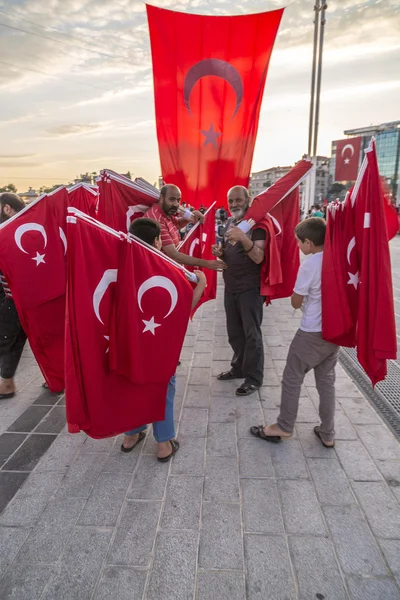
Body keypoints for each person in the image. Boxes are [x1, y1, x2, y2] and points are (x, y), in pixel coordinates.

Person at [121, 217, 207, 461]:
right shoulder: (168, 269)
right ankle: (163, 444)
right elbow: (181, 309)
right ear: (157, 241)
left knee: (132, 383)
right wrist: (201, 284)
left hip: (130, 342)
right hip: (158, 346)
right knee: (162, 388)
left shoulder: (122, 265)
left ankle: (130, 435)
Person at [250, 217, 339, 448]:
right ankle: (328, 432)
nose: (298, 247)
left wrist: (296, 298)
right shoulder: (337, 258)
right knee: (326, 382)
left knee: (292, 377)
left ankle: (284, 426)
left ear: (309, 242)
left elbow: (296, 301)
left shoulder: (310, 264)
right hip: (334, 331)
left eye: (299, 243)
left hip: (311, 332)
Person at [212, 185, 267, 396]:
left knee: (252, 334)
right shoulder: (230, 223)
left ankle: (254, 378)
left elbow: (259, 257)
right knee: (235, 333)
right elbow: (229, 252)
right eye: (231, 201)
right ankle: (239, 368)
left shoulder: (257, 226)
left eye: (238, 200)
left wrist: (243, 238)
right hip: (231, 286)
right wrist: (220, 252)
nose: (234, 204)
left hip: (250, 288)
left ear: (248, 200)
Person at [146, 185, 225, 271]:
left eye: (178, 200)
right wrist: (206, 263)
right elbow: (174, 255)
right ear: (161, 198)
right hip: (162, 270)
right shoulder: (157, 219)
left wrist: (193, 216)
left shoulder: (165, 211)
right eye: (172, 199)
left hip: (169, 268)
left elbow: (177, 224)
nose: (176, 204)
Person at [0, 193, 27, 399]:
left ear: (7, 209)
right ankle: (7, 384)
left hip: (15, 299)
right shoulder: (33, 227)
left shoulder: (9, 231)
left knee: (7, 340)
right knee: (14, 341)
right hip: (27, 302)